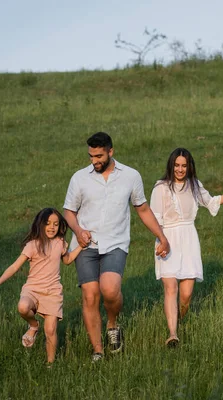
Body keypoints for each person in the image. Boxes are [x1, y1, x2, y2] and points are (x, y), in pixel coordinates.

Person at [63, 132, 170, 361]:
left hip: (115, 243)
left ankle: (112, 325)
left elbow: (142, 209)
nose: (95, 161)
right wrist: (78, 231)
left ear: (111, 151)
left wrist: (162, 236)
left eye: (99, 156)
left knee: (110, 290)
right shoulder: (79, 178)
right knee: (90, 296)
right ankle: (98, 350)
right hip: (85, 246)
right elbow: (69, 212)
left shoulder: (131, 176)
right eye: (91, 156)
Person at [150, 148, 223, 347]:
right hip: (167, 239)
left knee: (186, 294)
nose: (180, 169)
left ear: (189, 167)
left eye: (184, 166)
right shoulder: (160, 188)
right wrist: (161, 240)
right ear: (171, 165)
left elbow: (212, 202)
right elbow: (154, 218)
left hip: (188, 240)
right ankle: (172, 334)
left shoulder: (194, 186)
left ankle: (177, 320)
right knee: (171, 288)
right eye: (177, 165)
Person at [0, 208, 82, 365]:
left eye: (56, 224)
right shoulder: (32, 245)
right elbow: (15, 266)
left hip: (52, 293)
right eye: (48, 223)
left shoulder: (60, 243)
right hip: (33, 290)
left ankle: (50, 365)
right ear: (40, 224)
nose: (52, 227)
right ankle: (33, 325)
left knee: (50, 331)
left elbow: (68, 259)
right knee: (23, 307)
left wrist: (82, 246)